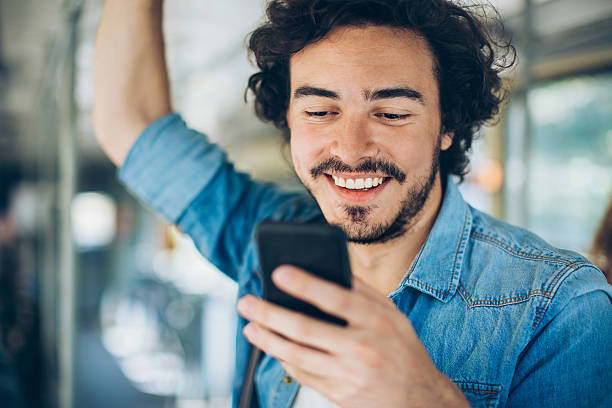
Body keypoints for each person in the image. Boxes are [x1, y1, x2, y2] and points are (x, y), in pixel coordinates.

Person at [92, 0, 612, 407]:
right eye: (320, 110)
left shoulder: (560, 309)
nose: (350, 149)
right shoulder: (270, 233)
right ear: (290, 121)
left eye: (390, 113)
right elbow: (132, 124)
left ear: (447, 125)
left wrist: (426, 401)